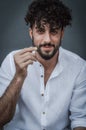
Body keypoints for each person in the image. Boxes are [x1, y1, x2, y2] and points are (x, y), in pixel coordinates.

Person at [0, 0, 86, 130]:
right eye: (40, 31)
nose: (47, 39)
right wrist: (19, 76)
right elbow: (1, 119)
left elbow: (80, 119)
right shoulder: (12, 61)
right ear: (31, 33)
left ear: (62, 33)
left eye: (54, 31)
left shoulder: (79, 67)